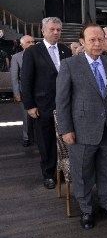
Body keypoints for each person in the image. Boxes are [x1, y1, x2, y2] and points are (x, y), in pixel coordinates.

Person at [56, 23, 107, 230]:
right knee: (83, 173)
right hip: (82, 130)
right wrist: (66, 130)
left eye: (100, 39)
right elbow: (62, 101)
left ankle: (106, 205)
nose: (96, 43)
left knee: (106, 170)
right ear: (82, 42)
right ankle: (86, 211)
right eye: (91, 40)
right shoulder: (69, 65)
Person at [21, 17, 72, 189]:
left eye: (58, 29)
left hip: (65, 104)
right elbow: (26, 80)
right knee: (46, 141)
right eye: (52, 29)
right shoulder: (33, 52)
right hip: (43, 105)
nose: (56, 32)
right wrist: (29, 105)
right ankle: (49, 174)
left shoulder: (66, 51)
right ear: (43, 31)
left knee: (66, 139)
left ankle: (64, 171)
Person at [10, 35, 35, 147]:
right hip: (24, 92)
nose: (31, 44)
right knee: (26, 117)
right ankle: (27, 137)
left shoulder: (39, 55)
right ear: (22, 45)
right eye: (28, 42)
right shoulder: (16, 57)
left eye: (33, 42)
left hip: (39, 92)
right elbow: (14, 77)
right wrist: (17, 94)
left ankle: (38, 137)